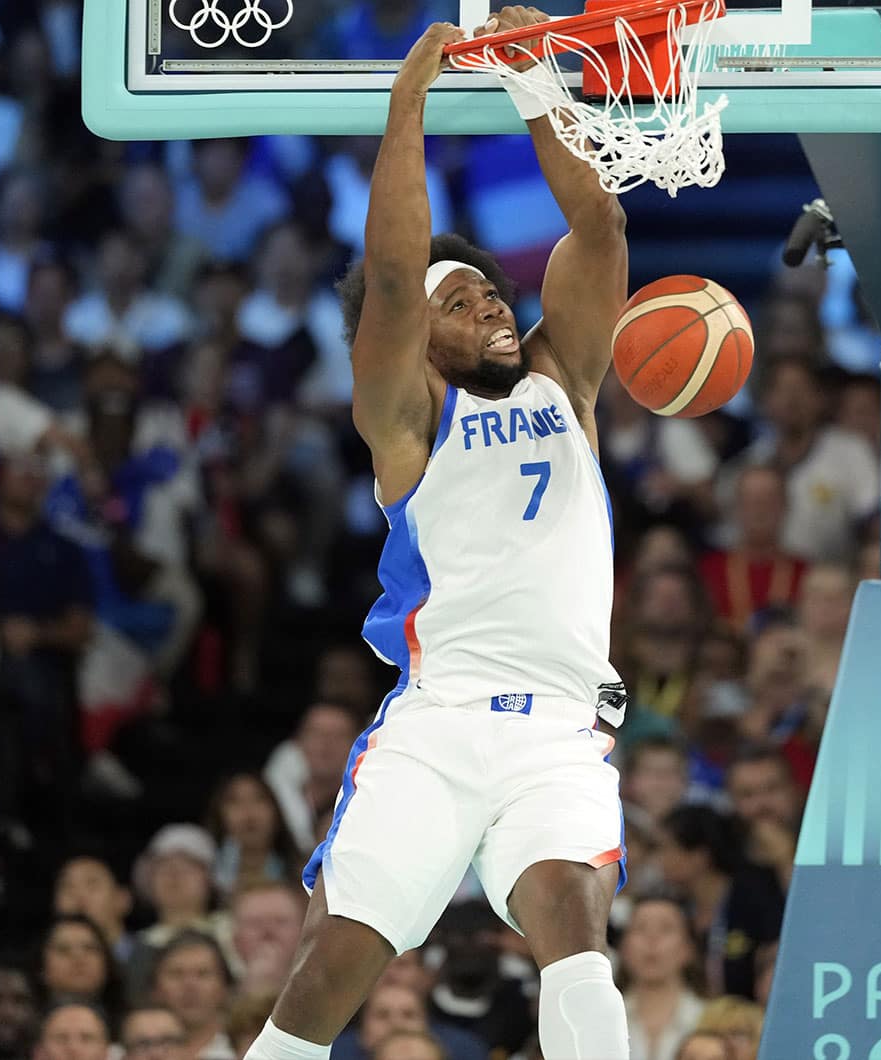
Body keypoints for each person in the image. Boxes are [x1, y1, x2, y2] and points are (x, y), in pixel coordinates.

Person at [244, 11, 631, 1060]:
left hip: (559, 724)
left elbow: (597, 233)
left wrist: (535, 82)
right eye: (463, 302)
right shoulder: (404, 420)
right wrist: (408, 102)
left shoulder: (564, 380)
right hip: (441, 719)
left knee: (576, 933)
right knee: (337, 966)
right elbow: (390, 268)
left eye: (493, 290)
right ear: (420, 339)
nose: (496, 307)